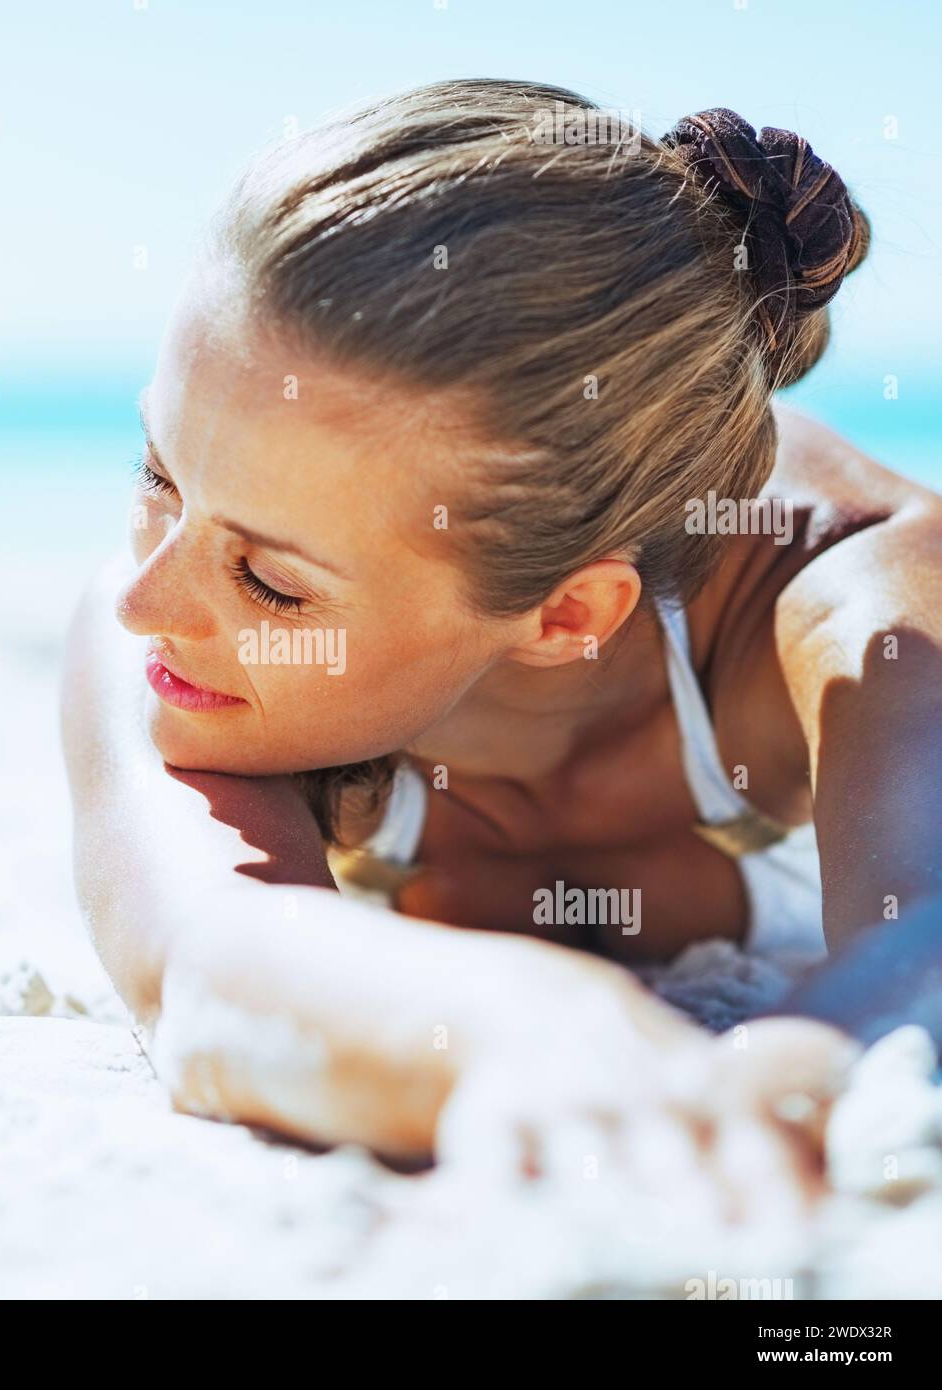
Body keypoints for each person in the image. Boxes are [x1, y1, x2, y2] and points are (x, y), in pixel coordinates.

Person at [61, 80, 942, 1216]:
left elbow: (920, 929)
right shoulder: (188, 639)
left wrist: (787, 1070)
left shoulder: (857, 595)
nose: (143, 599)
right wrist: (536, 1027)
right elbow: (203, 966)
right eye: (157, 472)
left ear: (571, 614)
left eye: (272, 582)